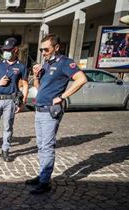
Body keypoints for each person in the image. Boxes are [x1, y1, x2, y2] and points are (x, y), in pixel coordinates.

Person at [27, 34, 87, 194]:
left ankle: (45, 182)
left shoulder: (65, 63)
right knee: (40, 145)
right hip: (39, 109)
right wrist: (36, 75)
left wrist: (62, 97)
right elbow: (38, 87)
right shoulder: (46, 64)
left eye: (46, 49)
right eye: (41, 49)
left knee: (47, 146)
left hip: (50, 112)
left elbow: (81, 79)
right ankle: (42, 176)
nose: (43, 52)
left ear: (57, 47)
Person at [0, 37, 28, 162]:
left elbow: (25, 85)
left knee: (8, 127)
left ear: (15, 50)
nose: (5, 52)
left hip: (10, 101)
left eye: (8, 50)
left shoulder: (21, 67)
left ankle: (5, 150)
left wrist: (23, 101)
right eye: (4, 50)